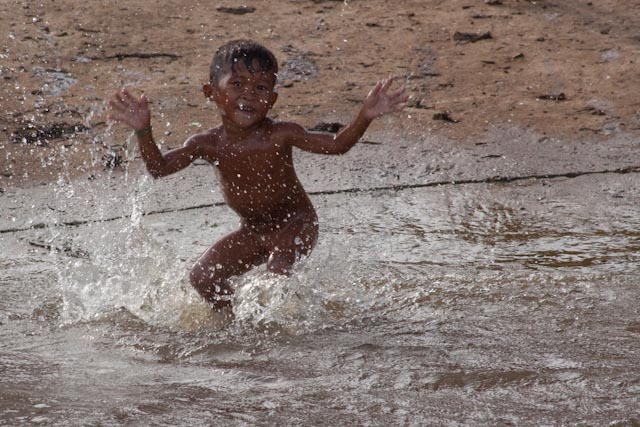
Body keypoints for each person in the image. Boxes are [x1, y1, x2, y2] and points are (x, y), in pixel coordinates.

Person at [108, 39, 407, 312]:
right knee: (201, 278)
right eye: (237, 84)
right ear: (211, 93)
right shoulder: (207, 144)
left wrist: (365, 115)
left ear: (272, 100)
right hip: (252, 229)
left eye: (261, 88)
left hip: (296, 223)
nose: (249, 94)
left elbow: (337, 145)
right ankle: (232, 320)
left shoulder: (280, 134)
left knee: (276, 273)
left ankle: (284, 325)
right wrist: (143, 130)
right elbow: (159, 169)